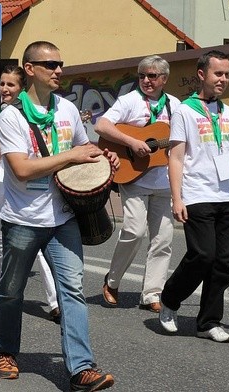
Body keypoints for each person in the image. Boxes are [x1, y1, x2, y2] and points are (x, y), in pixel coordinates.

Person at [0, 41, 116, 390]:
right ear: (29, 69)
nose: (59, 70)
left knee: (72, 292)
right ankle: (5, 350)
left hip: (63, 218)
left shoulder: (67, 109)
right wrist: (71, 157)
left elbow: (85, 150)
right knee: (11, 291)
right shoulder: (12, 115)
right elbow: (21, 170)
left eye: (61, 63)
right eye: (50, 64)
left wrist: (104, 160)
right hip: (22, 220)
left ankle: (81, 369)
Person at [159, 50, 229, 342]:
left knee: (223, 263)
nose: (224, 79)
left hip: (227, 196)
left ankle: (208, 323)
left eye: (226, 74)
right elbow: (176, 157)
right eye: (218, 74)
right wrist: (177, 198)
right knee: (202, 255)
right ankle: (170, 299)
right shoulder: (185, 111)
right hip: (197, 194)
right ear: (202, 74)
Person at [95, 55, 180, 312]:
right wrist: (132, 142)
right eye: (142, 75)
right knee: (134, 231)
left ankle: (152, 293)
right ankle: (112, 281)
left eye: (152, 76)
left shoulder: (175, 105)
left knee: (163, 240)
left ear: (164, 79)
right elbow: (101, 125)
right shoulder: (130, 100)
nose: (146, 80)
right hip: (133, 177)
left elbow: (181, 140)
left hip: (164, 180)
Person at [0, 65, 60, 322]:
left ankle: (54, 301)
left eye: (10, 85)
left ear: (22, 89)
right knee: (1, 239)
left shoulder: (27, 114)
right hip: (1, 183)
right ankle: (5, 288)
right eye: (2, 84)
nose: (5, 89)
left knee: (38, 246)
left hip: (31, 184)